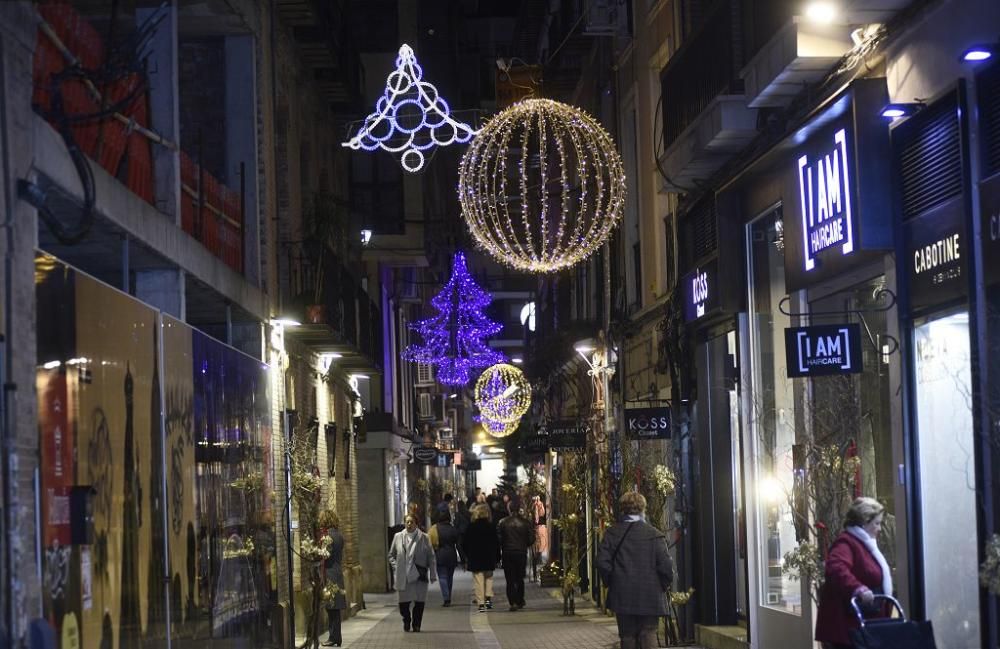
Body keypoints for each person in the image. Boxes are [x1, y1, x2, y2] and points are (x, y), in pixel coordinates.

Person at [597, 491, 673, 649]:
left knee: (627, 635)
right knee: (649, 633)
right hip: (650, 594)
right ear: (643, 509)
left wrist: (613, 582)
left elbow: (602, 563)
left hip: (622, 594)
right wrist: (662, 586)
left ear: (623, 509)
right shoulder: (655, 535)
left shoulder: (612, 533)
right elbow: (666, 567)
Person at [815, 497, 892, 649]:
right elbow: (836, 567)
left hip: (864, 626)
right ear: (864, 522)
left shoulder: (864, 544)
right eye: (877, 523)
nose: (880, 528)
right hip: (849, 630)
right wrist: (858, 588)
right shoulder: (847, 543)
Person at [388, 514, 437, 632]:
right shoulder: (398, 537)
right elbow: (391, 555)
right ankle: (406, 619)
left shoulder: (424, 537)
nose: (409, 524)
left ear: (416, 524)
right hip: (403, 575)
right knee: (403, 603)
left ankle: (417, 624)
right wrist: (396, 567)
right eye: (407, 522)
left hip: (419, 575)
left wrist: (433, 574)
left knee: (419, 602)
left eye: (412, 522)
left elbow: (431, 557)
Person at [497, 502, 535, 611]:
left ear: (509, 509)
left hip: (508, 553)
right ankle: (519, 600)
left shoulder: (502, 522)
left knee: (509, 579)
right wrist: (524, 545)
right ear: (519, 509)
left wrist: (504, 546)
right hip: (521, 552)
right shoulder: (525, 522)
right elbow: (531, 539)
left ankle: (512, 602)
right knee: (519, 578)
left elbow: (499, 538)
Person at [463, 503, 499, 612]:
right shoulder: (491, 526)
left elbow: (464, 543)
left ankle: (481, 604)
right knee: (489, 578)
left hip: (475, 557)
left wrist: (467, 555)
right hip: (489, 557)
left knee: (478, 580)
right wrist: (498, 557)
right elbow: (496, 543)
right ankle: (488, 598)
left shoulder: (471, 527)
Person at [318, 510, 347, 647]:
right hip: (337, 572)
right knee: (334, 608)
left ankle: (333, 637)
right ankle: (336, 637)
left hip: (330, 574)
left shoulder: (327, 536)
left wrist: (317, 552)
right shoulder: (339, 535)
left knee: (332, 608)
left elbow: (325, 555)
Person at [429, 510, 461, 607]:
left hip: (440, 554)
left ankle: (446, 598)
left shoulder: (434, 529)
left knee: (442, 577)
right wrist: (463, 558)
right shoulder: (453, 529)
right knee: (450, 577)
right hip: (451, 555)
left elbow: (429, 543)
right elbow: (459, 545)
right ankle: (448, 596)